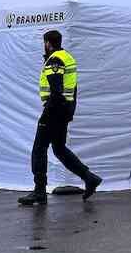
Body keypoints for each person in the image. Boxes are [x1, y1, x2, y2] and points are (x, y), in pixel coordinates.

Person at [18, 30, 103, 206]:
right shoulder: (68, 57)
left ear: (47, 43)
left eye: (44, 43)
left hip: (54, 111)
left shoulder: (55, 60)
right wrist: (69, 111)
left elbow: (56, 90)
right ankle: (89, 178)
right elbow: (73, 89)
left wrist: (47, 114)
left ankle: (39, 192)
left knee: (39, 149)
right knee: (59, 149)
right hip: (64, 110)